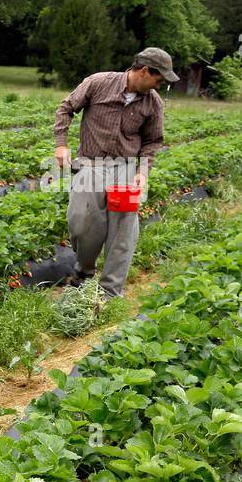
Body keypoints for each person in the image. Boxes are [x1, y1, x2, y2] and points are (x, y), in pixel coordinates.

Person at [53, 48, 179, 298]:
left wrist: (143, 170)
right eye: (159, 78)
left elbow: (153, 140)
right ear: (144, 71)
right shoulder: (99, 83)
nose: (161, 83)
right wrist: (61, 144)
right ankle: (85, 271)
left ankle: (110, 291)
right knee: (80, 223)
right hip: (90, 164)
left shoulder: (153, 102)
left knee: (123, 231)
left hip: (125, 168)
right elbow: (65, 108)